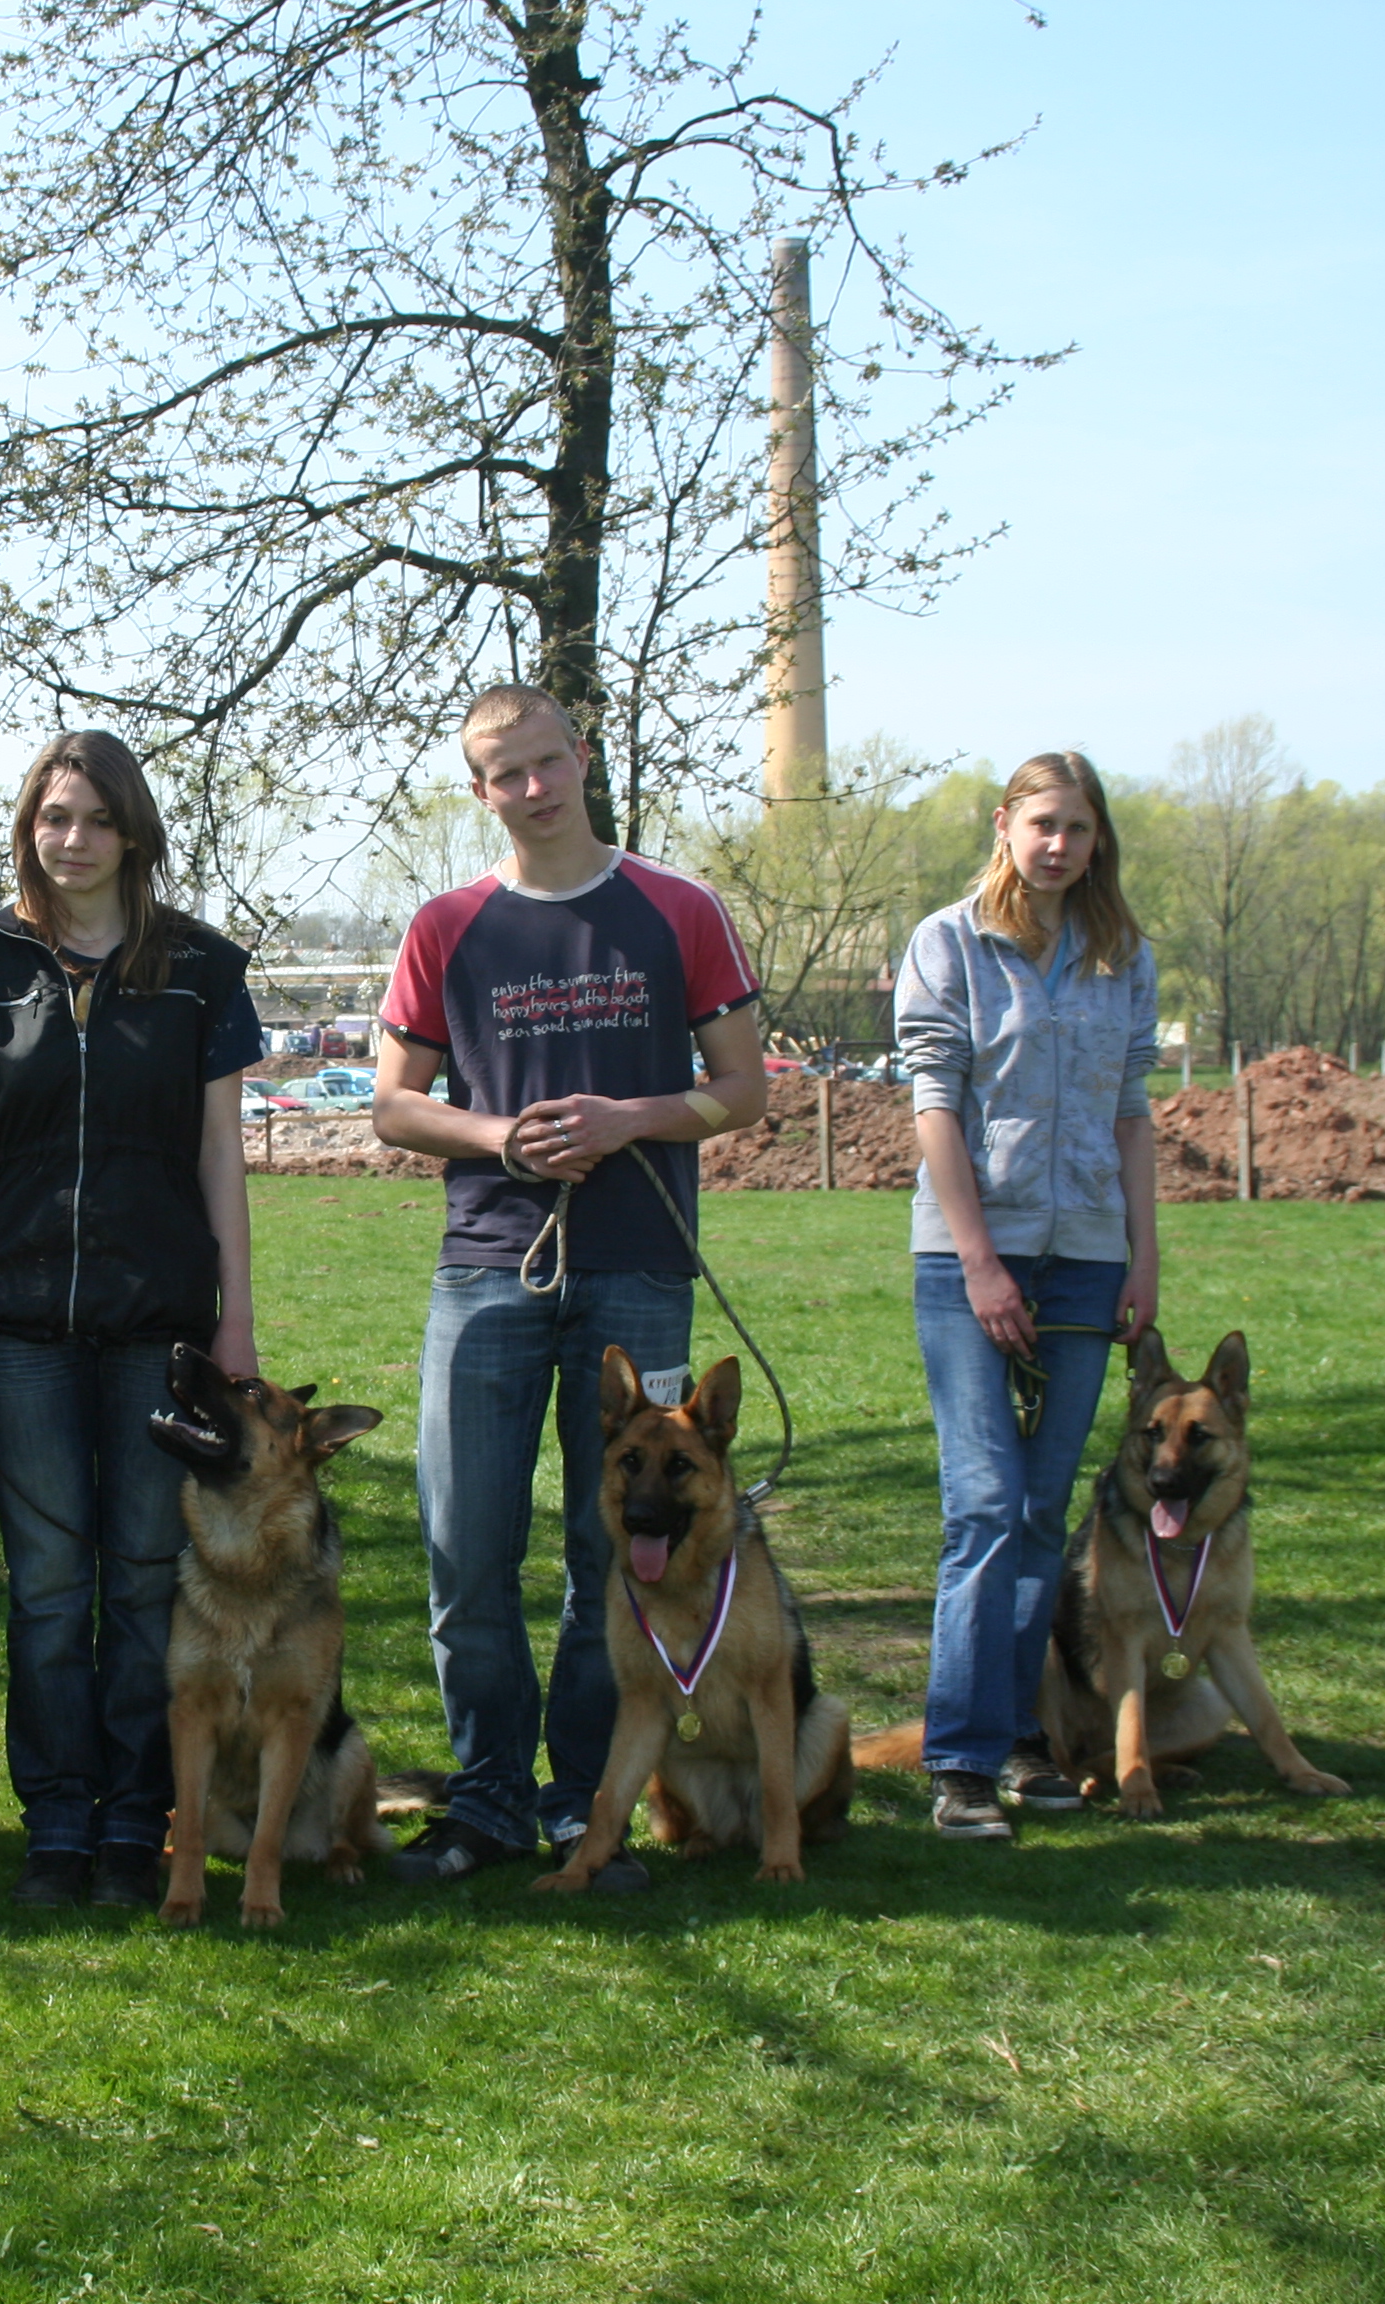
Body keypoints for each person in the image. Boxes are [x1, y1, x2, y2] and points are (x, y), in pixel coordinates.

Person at [370, 686, 769, 1887]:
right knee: (465, 1548)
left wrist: (628, 1119)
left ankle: (582, 1805)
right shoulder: (448, 925)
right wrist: (503, 1140)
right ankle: (486, 1798)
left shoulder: (678, 910)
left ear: (581, 758)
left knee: (619, 1558)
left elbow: (744, 1089)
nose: (533, 787)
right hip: (489, 1271)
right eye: (506, 774)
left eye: (548, 762)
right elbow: (394, 1103)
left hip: (637, 1272)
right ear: (481, 791)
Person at [0, 731, 263, 1909]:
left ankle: (136, 1822)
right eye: (54, 817)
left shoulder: (202, 971)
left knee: (152, 1582)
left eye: (96, 820)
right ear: (29, 827)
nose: (73, 840)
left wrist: (237, 1325)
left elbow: (221, 1155)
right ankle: (57, 1820)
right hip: (16, 1330)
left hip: (157, 1322)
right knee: (50, 1588)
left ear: (134, 835)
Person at [896, 750, 1159, 1841]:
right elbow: (936, 1108)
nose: (1059, 845)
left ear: (1099, 841)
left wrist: (1144, 1258)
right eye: (1042, 823)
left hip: (1090, 1260)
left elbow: (1134, 1111)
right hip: (972, 1259)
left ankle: (1020, 1741)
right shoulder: (950, 943)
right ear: (1005, 825)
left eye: (1079, 829)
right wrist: (982, 1261)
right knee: (986, 1505)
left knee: (1045, 1513)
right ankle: (959, 1760)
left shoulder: (1121, 954)